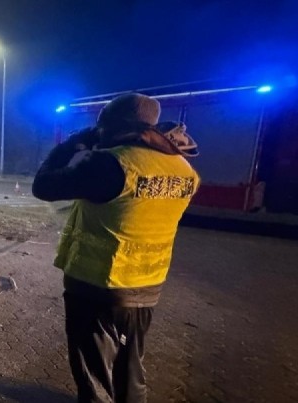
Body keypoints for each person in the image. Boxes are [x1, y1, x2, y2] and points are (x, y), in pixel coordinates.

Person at [32, 93, 200, 403]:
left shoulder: (113, 163)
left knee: (95, 376)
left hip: (97, 286)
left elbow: (43, 186)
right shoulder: (184, 169)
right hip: (147, 286)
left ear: (114, 127)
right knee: (130, 365)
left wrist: (72, 144)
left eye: (101, 125)